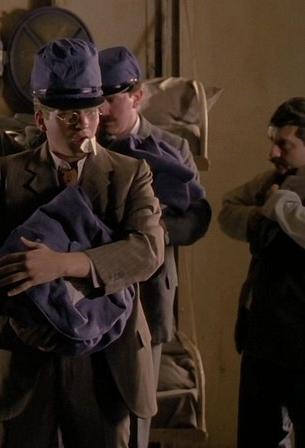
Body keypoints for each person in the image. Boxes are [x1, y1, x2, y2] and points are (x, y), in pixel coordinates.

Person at [0, 38, 165, 447]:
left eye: (90, 111)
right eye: (67, 114)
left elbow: (147, 251)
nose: (82, 124)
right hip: (24, 361)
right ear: (40, 117)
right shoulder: (7, 175)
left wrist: (64, 264)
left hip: (106, 360)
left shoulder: (129, 174)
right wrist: (14, 326)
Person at [97, 45, 212, 447]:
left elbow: (198, 217)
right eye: (96, 100)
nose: (102, 111)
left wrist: (160, 230)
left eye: (111, 100)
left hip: (149, 294)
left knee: (139, 407)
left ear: (137, 97)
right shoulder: (87, 143)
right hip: (95, 293)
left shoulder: (171, 148)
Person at [218, 97, 305, 448]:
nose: (273, 153)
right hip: (263, 341)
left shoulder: (278, 190)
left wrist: (281, 208)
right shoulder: (271, 181)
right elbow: (228, 209)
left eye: (284, 144)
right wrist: (258, 218)